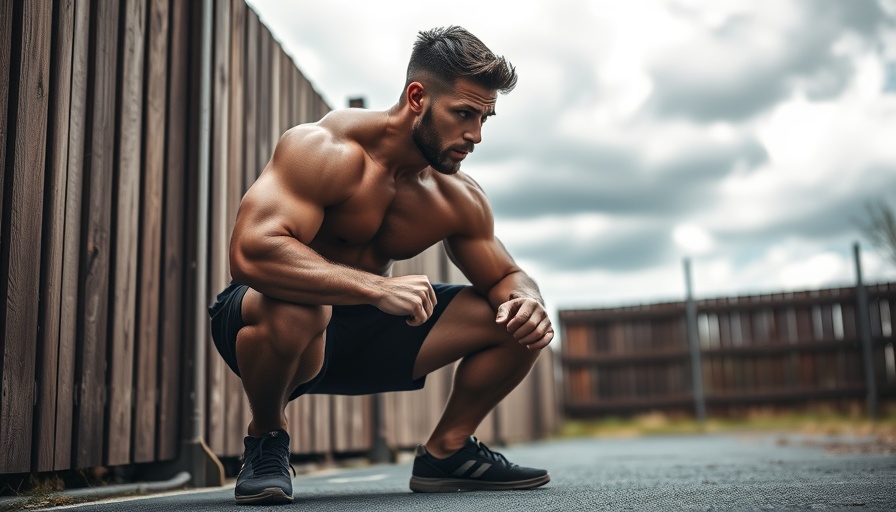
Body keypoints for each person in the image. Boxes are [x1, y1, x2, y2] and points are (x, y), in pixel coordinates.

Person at [209, 25, 554, 505]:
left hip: (366, 333)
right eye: (464, 114)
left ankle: (447, 451)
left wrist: (529, 301)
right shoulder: (325, 150)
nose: (475, 135)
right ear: (417, 96)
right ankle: (266, 437)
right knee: (302, 308)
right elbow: (251, 251)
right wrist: (375, 288)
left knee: (516, 321)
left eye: (484, 118)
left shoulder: (456, 195)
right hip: (278, 320)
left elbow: (505, 277)